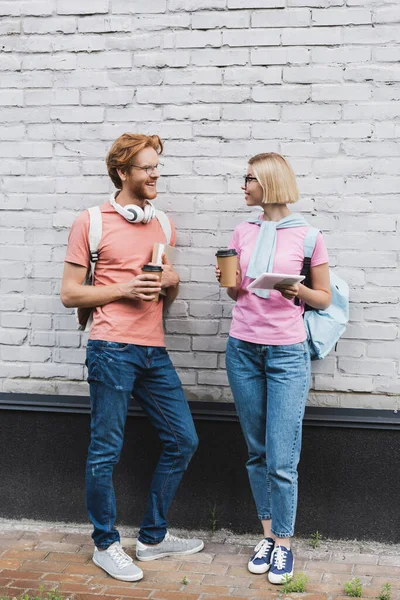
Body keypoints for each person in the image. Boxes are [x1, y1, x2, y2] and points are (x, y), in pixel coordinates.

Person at [61, 133, 203, 582]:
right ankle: (105, 543)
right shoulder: (91, 221)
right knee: (106, 450)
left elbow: (167, 293)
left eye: (157, 166)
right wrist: (122, 287)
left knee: (184, 440)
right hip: (111, 349)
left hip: (153, 351)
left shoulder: (163, 223)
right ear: (123, 173)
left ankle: (152, 538)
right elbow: (69, 294)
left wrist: (172, 282)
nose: (155, 174)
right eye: (146, 167)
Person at [216, 153, 331, 585]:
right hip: (242, 349)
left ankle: (283, 543)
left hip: (286, 354)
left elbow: (323, 298)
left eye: (249, 178)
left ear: (269, 182)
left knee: (282, 458)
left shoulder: (308, 236)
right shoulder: (242, 231)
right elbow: (236, 295)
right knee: (257, 452)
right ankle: (267, 535)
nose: (242, 185)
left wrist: (294, 286)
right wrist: (228, 282)